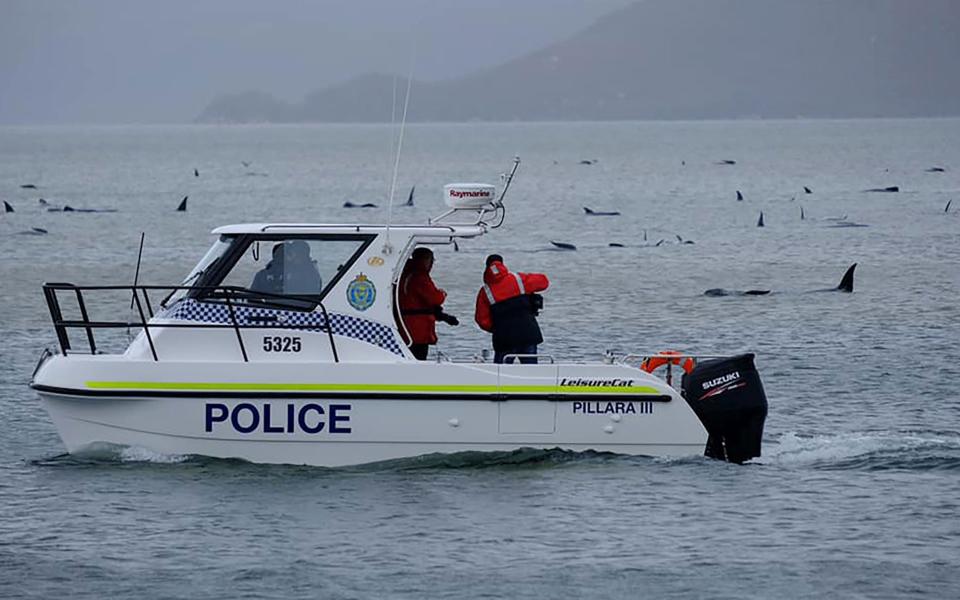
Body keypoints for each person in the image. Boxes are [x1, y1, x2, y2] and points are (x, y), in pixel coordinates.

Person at [474, 254, 549, 364]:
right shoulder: (518, 279)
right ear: (502, 264)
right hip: (528, 334)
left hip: (504, 338)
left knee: (499, 374)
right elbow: (544, 282)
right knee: (531, 371)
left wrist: (497, 328)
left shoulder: (485, 292)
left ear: (486, 268)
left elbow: (481, 320)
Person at [398, 247, 458, 360]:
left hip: (405, 324)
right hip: (417, 329)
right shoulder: (420, 277)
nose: (431, 264)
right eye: (431, 261)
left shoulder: (405, 274)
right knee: (418, 356)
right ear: (426, 260)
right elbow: (435, 298)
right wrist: (442, 293)